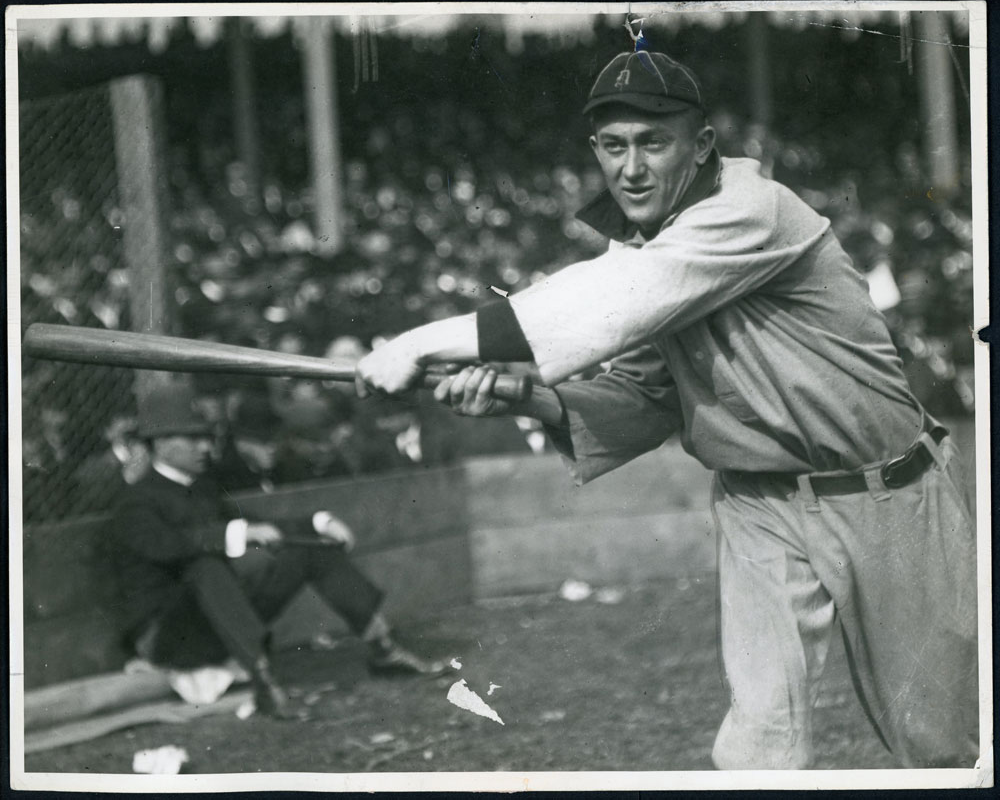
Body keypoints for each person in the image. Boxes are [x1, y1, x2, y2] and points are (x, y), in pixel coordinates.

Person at [355, 50, 978, 768]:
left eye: (654, 142)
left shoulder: (750, 208)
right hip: (760, 506)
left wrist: (425, 340)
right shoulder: (650, 245)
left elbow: (613, 295)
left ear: (702, 145)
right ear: (595, 152)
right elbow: (650, 395)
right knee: (757, 747)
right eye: (615, 146)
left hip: (888, 493)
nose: (632, 167)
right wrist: (525, 394)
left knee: (943, 746)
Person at [111, 381, 445, 719]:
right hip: (169, 638)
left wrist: (317, 522)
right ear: (160, 443)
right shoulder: (135, 502)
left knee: (311, 549)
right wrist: (234, 532)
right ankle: (264, 684)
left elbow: (256, 523)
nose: (205, 447)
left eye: (207, 437)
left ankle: (382, 648)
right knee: (204, 566)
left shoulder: (202, 489)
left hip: (218, 626)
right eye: (193, 438)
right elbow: (168, 547)